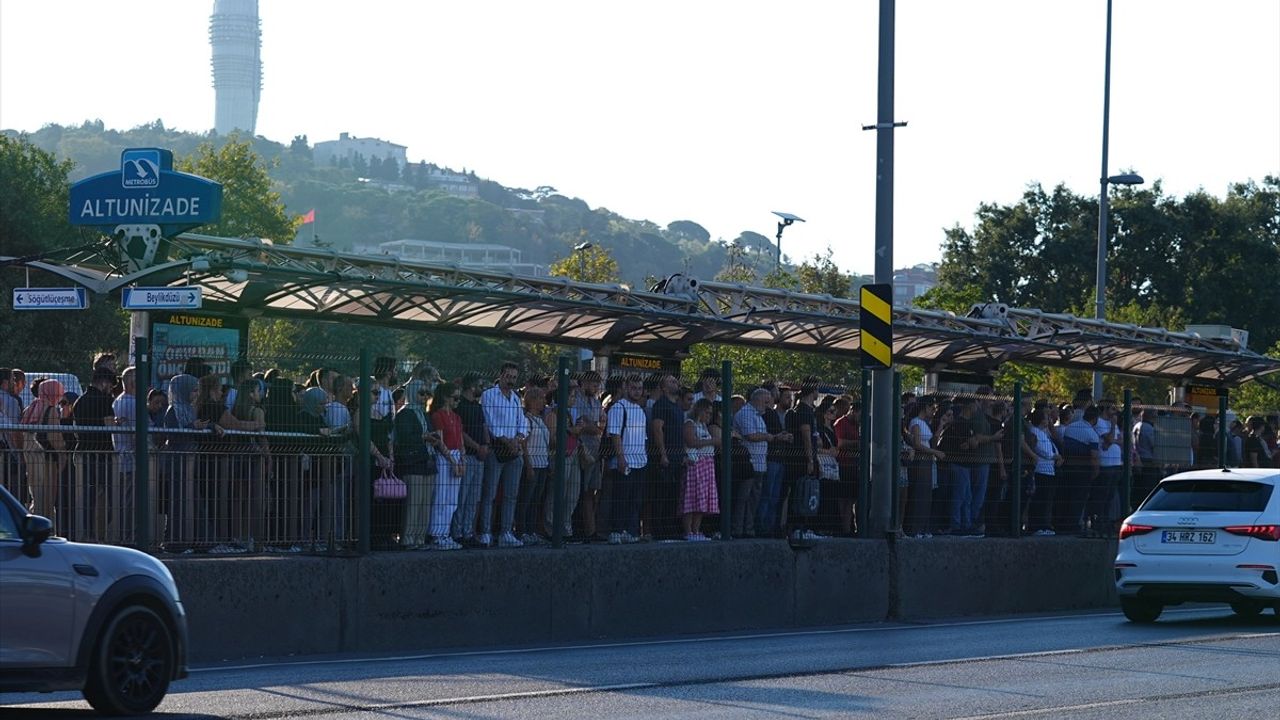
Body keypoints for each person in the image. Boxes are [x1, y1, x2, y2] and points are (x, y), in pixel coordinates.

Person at [479, 362, 528, 548]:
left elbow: (522, 422)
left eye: (514, 378)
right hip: (496, 449)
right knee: (489, 493)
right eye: (508, 376)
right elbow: (489, 421)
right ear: (501, 375)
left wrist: (518, 438)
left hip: (514, 450)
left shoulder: (516, 398)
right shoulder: (488, 395)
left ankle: (506, 532)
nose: (511, 381)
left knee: (511, 495)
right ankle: (485, 532)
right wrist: (506, 440)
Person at [393, 379, 441, 549]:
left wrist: (433, 437)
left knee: (425, 503)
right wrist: (424, 437)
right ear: (412, 393)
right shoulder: (404, 414)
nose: (424, 397)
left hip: (427, 462)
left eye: (427, 394)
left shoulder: (424, 413)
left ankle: (420, 539)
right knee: (413, 503)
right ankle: (407, 538)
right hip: (412, 463)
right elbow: (405, 438)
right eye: (421, 393)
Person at [74, 368, 118, 541]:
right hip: (102, 453)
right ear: (104, 382)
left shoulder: (80, 401)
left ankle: (88, 533)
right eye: (111, 385)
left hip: (84, 451)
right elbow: (109, 427)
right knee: (109, 497)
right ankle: (104, 533)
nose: (111, 389)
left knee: (88, 497)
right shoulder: (105, 400)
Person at [607, 375, 649, 544]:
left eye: (639, 388)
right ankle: (615, 531)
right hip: (625, 461)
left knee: (635, 500)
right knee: (620, 498)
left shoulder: (640, 410)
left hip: (641, 461)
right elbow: (615, 435)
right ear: (625, 387)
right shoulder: (618, 407)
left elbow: (644, 438)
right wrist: (620, 458)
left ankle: (630, 531)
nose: (637, 391)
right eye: (633, 388)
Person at [21, 378, 66, 529]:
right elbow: (55, 437)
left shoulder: (31, 408)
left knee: (36, 494)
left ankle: (31, 526)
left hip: (30, 457)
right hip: (45, 458)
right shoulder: (51, 410)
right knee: (47, 497)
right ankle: (44, 529)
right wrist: (62, 455)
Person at [451, 371, 489, 547]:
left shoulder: (478, 406)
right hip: (468, 456)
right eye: (480, 385)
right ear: (472, 386)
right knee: (462, 496)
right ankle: (457, 533)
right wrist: (477, 446)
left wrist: (486, 445)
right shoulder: (460, 406)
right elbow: (460, 432)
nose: (482, 389)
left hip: (481, 457)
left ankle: (468, 532)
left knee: (474, 497)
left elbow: (483, 426)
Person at [647, 373, 685, 540]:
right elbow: (657, 429)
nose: (675, 382)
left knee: (673, 495)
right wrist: (663, 454)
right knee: (661, 495)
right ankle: (658, 530)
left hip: (678, 457)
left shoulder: (677, 406)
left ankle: (670, 528)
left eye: (675, 380)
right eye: (671, 381)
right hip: (665, 457)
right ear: (663, 387)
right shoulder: (660, 405)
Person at [733, 388, 774, 538]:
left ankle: (748, 529)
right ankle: (738, 529)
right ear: (757, 400)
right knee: (743, 498)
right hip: (748, 464)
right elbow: (750, 435)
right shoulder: (745, 414)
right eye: (766, 401)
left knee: (754, 499)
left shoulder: (759, 416)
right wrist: (768, 437)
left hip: (760, 463)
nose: (768, 404)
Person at [428, 382, 465, 550]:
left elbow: (461, 441)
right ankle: (437, 534)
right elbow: (440, 442)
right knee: (441, 497)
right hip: (445, 457)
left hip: (457, 455)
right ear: (445, 397)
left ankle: (446, 532)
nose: (457, 401)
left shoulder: (457, 417)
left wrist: (462, 460)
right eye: (454, 398)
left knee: (452, 499)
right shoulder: (438, 415)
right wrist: (452, 461)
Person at [785, 381, 822, 541]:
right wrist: (810, 459)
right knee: (801, 492)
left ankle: (800, 527)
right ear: (812, 390)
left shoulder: (801, 409)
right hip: (801, 459)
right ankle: (799, 528)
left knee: (801, 492)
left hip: (798, 458)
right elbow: (806, 436)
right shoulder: (803, 411)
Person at [680, 398, 720, 541]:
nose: (709, 416)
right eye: (707, 413)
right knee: (692, 497)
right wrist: (712, 441)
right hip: (695, 464)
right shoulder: (690, 424)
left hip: (707, 465)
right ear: (700, 411)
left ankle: (696, 530)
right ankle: (688, 530)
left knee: (702, 499)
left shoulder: (703, 426)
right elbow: (691, 442)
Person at [572, 371, 605, 541]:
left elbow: (600, 425)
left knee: (591, 491)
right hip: (581, 451)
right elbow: (581, 424)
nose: (596, 388)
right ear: (583, 383)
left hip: (596, 451)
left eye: (597, 385)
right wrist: (594, 426)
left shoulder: (597, 402)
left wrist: (593, 426)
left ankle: (591, 530)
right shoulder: (576, 399)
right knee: (578, 491)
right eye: (593, 384)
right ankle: (580, 529)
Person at [905, 398, 943, 537]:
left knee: (927, 495)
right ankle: (914, 528)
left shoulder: (925, 423)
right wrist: (935, 452)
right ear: (925, 407)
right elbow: (917, 444)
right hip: (920, 462)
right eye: (932, 408)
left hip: (927, 462)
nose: (933, 411)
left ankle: (923, 527)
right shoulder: (916, 422)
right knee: (919, 494)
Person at [517, 386, 550, 544]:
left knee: (536, 500)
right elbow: (524, 444)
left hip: (543, 464)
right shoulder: (527, 419)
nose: (544, 402)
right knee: (526, 499)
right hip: (532, 465)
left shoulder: (541, 420)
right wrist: (528, 465)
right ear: (532, 400)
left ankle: (531, 531)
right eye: (541, 398)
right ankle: (522, 531)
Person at [1028, 408, 1064, 535]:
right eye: (1045, 417)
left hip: (1050, 469)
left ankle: (1044, 524)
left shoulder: (1044, 432)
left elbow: (1051, 445)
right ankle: (1037, 526)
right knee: (1041, 499)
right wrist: (1055, 456)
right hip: (1042, 470)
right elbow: (1042, 450)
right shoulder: (1034, 432)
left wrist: (1057, 455)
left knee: (1048, 499)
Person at [832, 396, 860, 537]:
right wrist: (858, 443)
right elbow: (840, 443)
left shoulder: (857, 425)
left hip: (854, 465)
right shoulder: (841, 423)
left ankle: (850, 527)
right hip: (843, 465)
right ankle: (844, 529)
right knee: (844, 499)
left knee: (851, 499)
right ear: (853, 411)